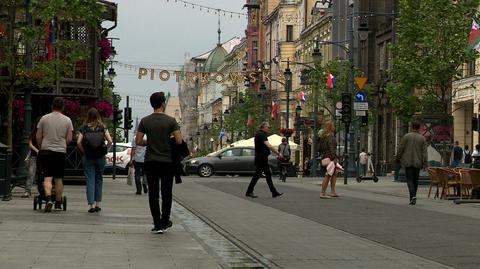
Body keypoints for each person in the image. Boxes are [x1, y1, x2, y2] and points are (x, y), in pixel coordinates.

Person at [135, 92, 182, 234]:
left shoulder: (145, 121)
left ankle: (157, 224)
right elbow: (179, 140)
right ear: (163, 103)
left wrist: (151, 142)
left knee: (153, 194)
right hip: (167, 162)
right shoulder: (171, 121)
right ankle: (165, 220)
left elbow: (138, 141)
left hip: (151, 161)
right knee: (167, 193)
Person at [36, 97, 73, 212]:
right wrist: (62, 143)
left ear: (52, 106)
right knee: (58, 178)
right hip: (60, 152)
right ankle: (57, 202)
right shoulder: (68, 120)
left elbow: (38, 136)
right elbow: (69, 139)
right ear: (62, 107)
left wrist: (41, 146)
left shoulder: (44, 118)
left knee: (47, 177)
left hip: (46, 150)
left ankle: (48, 199)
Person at [77, 108, 112, 213]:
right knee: (99, 179)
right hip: (100, 157)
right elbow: (110, 140)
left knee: (90, 179)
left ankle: (91, 205)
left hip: (88, 157)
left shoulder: (83, 128)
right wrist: (106, 150)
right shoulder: (102, 127)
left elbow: (78, 142)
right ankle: (98, 204)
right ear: (98, 116)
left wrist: (84, 152)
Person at [245, 122, 283, 198]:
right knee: (258, 175)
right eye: (268, 127)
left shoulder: (259, 134)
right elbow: (268, 145)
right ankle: (249, 191)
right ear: (264, 127)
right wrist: (278, 153)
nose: (269, 129)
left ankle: (274, 192)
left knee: (266, 174)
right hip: (261, 158)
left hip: (261, 157)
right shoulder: (262, 134)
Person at [396, 121, 428, 205]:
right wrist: (425, 163)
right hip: (418, 162)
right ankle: (413, 197)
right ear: (419, 128)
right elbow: (425, 152)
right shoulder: (422, 138)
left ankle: (412, 196)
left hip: (408, 161)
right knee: (415, 180)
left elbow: (401, 148)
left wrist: (397, 158)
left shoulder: (406, 136)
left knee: (409, 180)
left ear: (412, 127)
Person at [318, 122, 343, 199]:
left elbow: (319, 148)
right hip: (330, 158)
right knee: (328, 174)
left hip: (324, 157)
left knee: (333, 173)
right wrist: (334, 158)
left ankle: (332, 192)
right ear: (331, 128)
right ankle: (323, 193)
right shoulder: (331, 137)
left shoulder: (323, 138)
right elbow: (332, 148)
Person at [22, 125, 40, 198]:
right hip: (34, 156)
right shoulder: (33, 133)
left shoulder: (46, 132)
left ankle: (41, 192)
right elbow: (30, 144)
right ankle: (27, 191)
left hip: (43, 156)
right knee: (31, 173)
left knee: (42, 174)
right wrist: (37, 151)